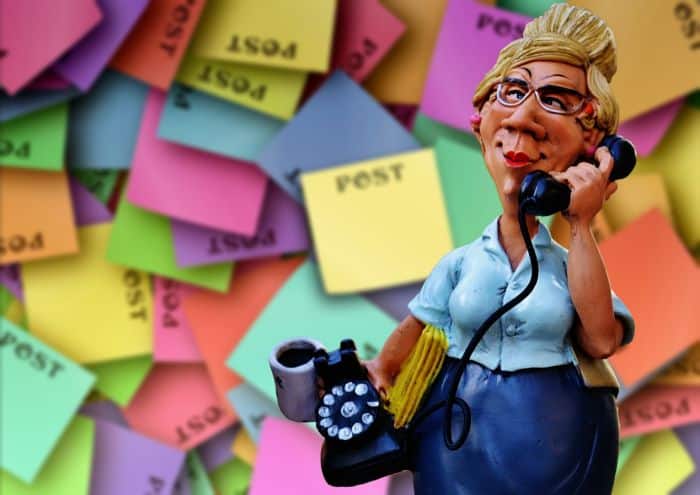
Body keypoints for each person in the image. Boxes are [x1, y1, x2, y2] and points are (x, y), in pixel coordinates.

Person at [363, 4, 635, 494]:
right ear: (481, 119)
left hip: (561, 442)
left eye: (555, 99)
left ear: (593, 145)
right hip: (455, 433)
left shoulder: (570, 268)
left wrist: (580, 222)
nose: (523, 116)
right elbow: (418, 324)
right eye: (512, 92)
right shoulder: (460, 264)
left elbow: (599, 341)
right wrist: (380, 371)